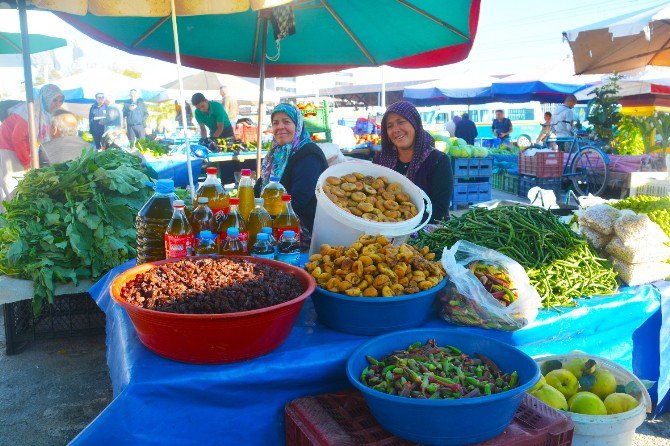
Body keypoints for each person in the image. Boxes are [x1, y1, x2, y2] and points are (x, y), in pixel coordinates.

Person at [254, 103, 328, 235]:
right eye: (275, 123)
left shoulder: (309, 154)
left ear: (298, 125)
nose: (280, 127)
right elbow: (260, 189)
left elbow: (299, 199)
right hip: (272, 221)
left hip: (302, 228)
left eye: (286, 122)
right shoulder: (275, 154)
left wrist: (266, 217)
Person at [373, 101, 453, 222]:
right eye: (389, 126)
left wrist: (404, 223)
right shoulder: (381, 159)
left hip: (425, 231)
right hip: (383, 228)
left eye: (401, 122)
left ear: (414, 123)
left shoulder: (438, 161)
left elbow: (439, 209)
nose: (395, 130)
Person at [0, 84, 64, 201]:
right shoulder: (28, 111)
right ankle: (6, 216)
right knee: (11, 186)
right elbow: (17, 138)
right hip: (7, 149)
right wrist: (26, 163)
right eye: (54, 100)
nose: (58, 104)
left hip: (19, 149)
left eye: (60, 100)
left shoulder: (43, 114)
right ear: (45, 98)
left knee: (19, 185)